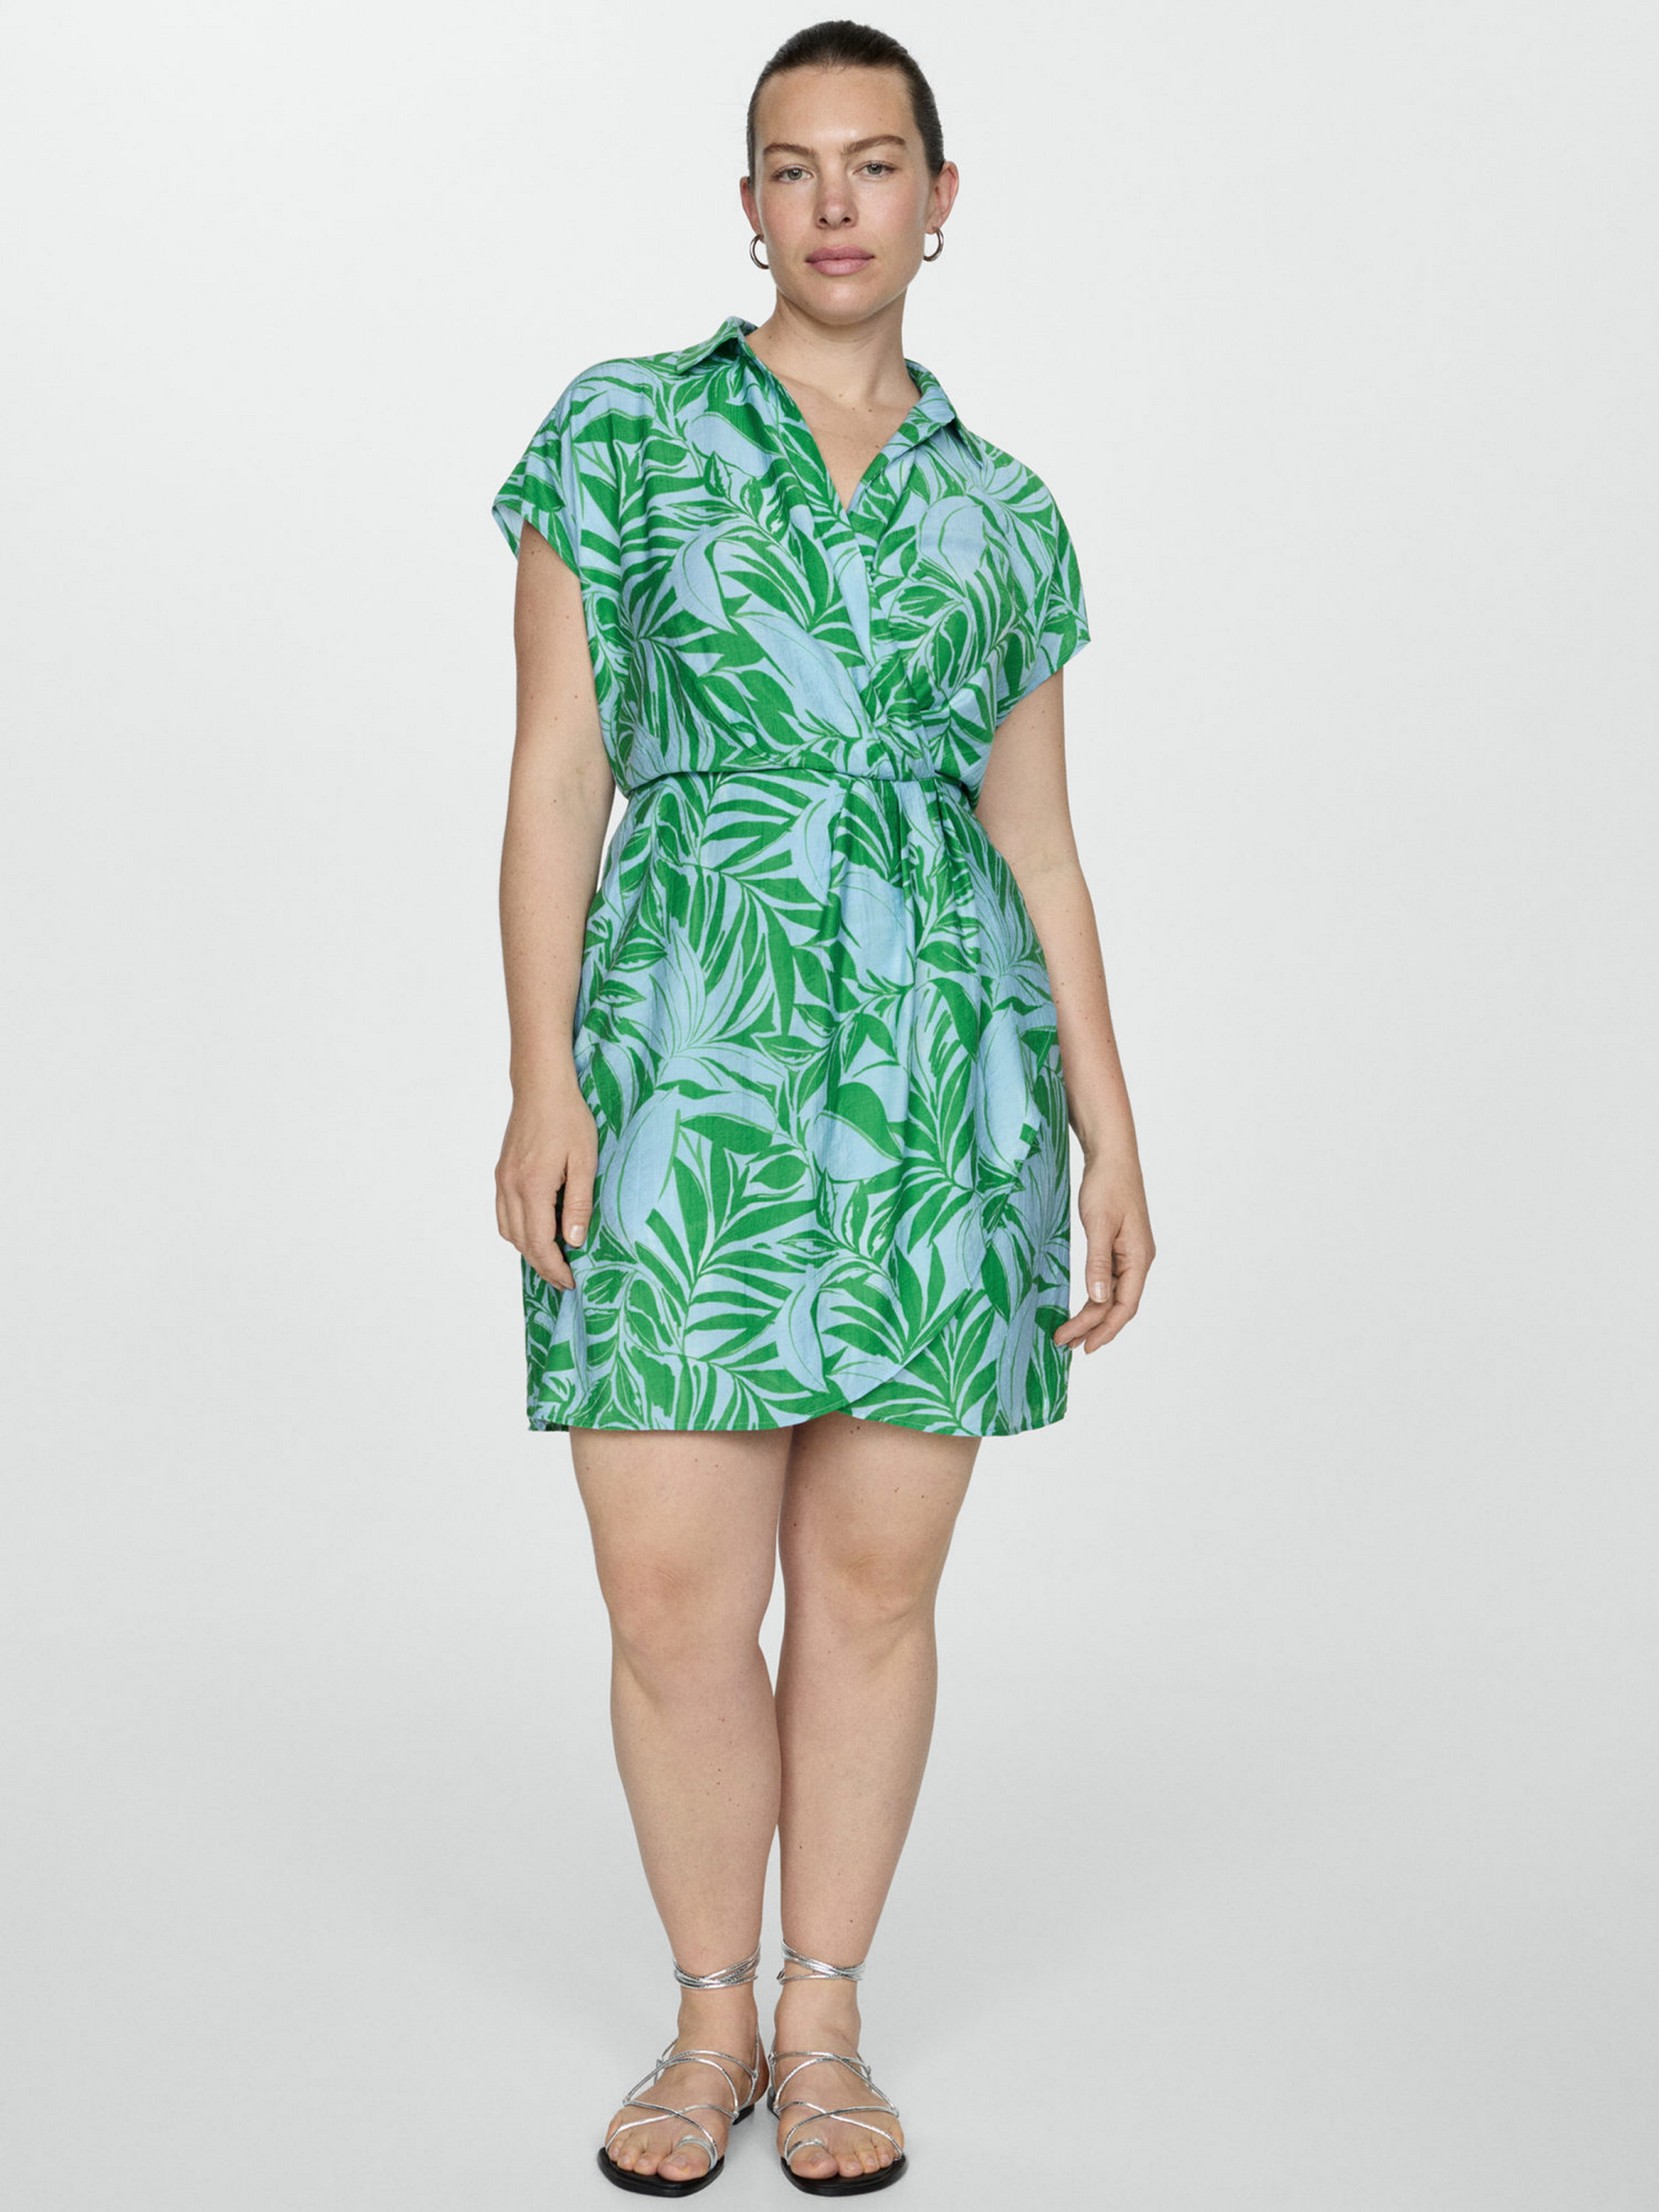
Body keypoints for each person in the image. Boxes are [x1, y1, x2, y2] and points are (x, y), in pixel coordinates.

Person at [490, 19, 1154, 2196]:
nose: (836, 201)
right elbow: (558, 780)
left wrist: (1109, 1130)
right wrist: (540, 1077)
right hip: (679, 1057)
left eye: (877, 164)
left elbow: (1038, 843)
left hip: (942, 1086)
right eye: (794, 166)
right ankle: (708, 2026)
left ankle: (826, 2021)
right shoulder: (622, 437)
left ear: (940, 201)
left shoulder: (1003, 513)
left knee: (870, 1584)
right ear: (750, 203)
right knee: (672, 1592)